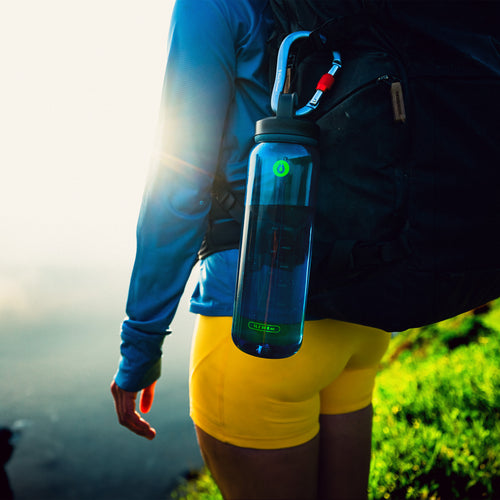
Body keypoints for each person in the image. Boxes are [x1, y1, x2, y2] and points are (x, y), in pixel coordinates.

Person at [110, 1, 391, 498]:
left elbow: (180, 186)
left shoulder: (213, 6)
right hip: (362, 313)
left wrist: (141, 345)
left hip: (257, 320)